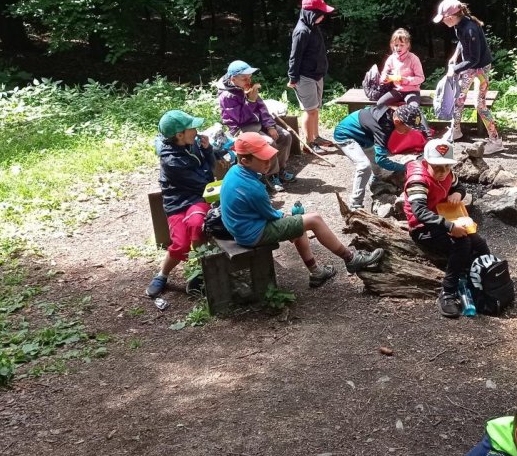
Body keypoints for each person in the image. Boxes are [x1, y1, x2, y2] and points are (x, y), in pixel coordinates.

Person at [219, 132, 384, 286]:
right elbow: (270, 215)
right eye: (263, 159)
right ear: (245, 161)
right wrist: (286, 216)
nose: (269, 163)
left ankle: (316, 272)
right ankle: (351, 258)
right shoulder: (252, 188)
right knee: (314, 220)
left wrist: (290, 218)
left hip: (241, 229)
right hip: (252, 234)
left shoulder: (234, 171)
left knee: (299, 224)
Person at [405, 138, 491, 318]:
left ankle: (487, 274)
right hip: (423, 227)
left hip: (445, 217)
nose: (443, 172)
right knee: (462, 244)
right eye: (437, 167)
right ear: (426, 163)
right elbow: (419, 212)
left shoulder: (448, 174)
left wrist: (458, 193)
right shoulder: (418, 181)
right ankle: (448, 291)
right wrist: (450, 227)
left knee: (478, 241)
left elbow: (459, 186)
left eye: (447, 167)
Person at [147, 110, 215, 298]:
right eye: (192, 128)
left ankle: (202, 270)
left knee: (197, 225)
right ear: (179, 135)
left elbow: (209, 169)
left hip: (197, 198)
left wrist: (208, 150)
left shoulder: (191, 144)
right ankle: (162, 275)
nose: (196, 131)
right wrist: (206, 168)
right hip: (177, 202)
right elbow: (205, 180)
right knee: (181, 243)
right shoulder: (172, 160)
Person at [433, 0, 504, 155]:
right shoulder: (459, 24)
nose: (443, 22)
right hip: (469, 66)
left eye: (443, 19)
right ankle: (456, 130)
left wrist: (455, 69)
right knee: (458, 99)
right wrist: (455, 55)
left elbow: (474, 60)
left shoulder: (470, 28)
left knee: (480, 104)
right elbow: (462, 42)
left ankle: (496, 141)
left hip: (480, 68)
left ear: (451, 17)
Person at [217, 59, 294, 192]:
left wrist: (270, 126)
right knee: (269, 143)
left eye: (250, 77)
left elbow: (262, 108)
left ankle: (280, 169)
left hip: (257, 123)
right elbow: (240, 119)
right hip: (241, 127)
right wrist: (251, 101)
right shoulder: (227, 96)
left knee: (285, 136)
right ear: (233, 79)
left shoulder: (248, 88)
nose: (249, 81)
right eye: (244, 78)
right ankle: (271, 175)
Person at [331, 102, 424, 211]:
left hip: (364, 135)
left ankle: (377, 181)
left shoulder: (392, 113)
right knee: (364, 166)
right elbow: (381, 160)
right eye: (407, 128)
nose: (408, 132)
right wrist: (404, 167)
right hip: (345, 135)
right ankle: (355, 204)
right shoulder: (382, 128)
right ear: (397, 121)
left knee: (376, 164)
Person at [288, 0, 336, 152]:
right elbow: (294, 57)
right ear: (311, 13)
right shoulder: (301, 31)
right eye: (320, 14)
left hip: (317, 74)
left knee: (315, 109)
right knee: (309, 111)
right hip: (304, 76)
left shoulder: (313, 27)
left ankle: (316, 137)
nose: (323, 17)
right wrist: (293, 77)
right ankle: (309, 144)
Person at [375, 28, 430, 135]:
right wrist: (385, 78)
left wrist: (405, 80)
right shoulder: (391, 59)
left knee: (414, 109)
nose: (398, 48)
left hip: (412, 91)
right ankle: (386, 127)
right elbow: (383, 75)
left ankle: (426, 134)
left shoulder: (413, 58)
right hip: (397, 90)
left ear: (408, 45)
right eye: (396, 45)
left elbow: (421, 78)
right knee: (380, 103)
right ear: (392, 45)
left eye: (401, 45)